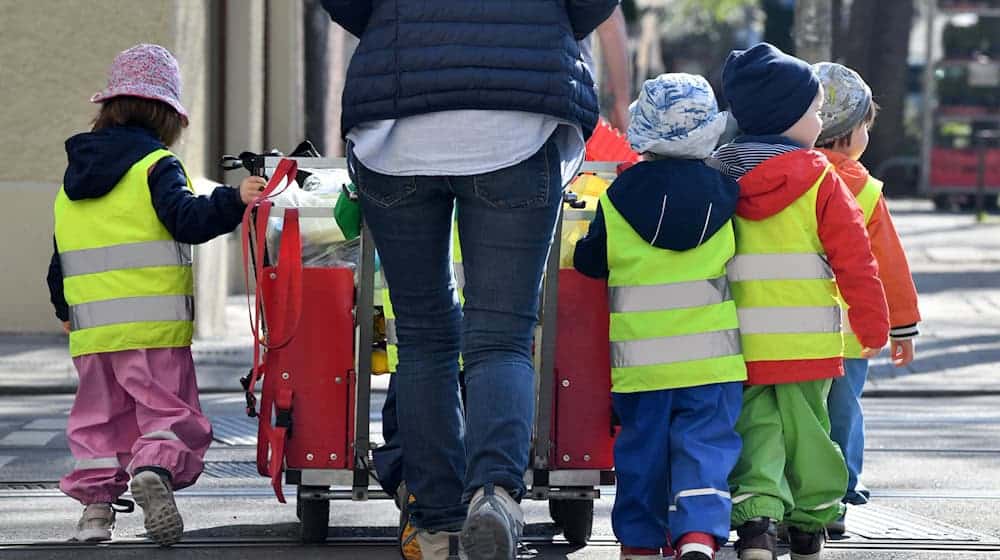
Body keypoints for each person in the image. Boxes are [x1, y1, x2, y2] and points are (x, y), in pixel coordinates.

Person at [321, 2, 619, 558]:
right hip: (518, 123)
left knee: (424, 336)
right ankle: (495, 495)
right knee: (502, 336)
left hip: (396, 124)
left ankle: (435, 520)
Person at [47, 44, 265, 546]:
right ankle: (153, 469)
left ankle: (96, 515)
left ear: (109, 108)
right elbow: (185, 219)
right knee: (167, 414)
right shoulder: (156, 165)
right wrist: (235, 199)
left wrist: (64, 309)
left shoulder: (73, 177)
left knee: (98, 423)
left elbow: (60, 254)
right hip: (153, 327)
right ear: (167, 115)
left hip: (91, 332)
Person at [710, 43, 890, 560]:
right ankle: (811, 520)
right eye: (814, 110)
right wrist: (873, 324)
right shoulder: (822, 180)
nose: (820, 119)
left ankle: (757, 523)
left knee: (757, 433)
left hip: (738, 342)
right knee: (811, 432)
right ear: (791, 118)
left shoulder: (721, 175)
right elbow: (856, 259)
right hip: (808, 343)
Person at [574, 73, 747, 560]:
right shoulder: (727, 195)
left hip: (642, 365)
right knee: (705, 448)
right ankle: (698, 534)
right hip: (712, 361)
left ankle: (640, 543)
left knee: (642, 455)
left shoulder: (617, 198)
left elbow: (593, 261)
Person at [812, 62, 921, 532]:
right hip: (853, 332)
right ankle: (840, 490)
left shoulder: (789, 178)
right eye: (865, 128)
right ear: (850, 135)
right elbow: (888, 266)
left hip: (788, 328)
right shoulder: (865, 189)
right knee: (843, 411)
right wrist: (902, 327)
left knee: (800, 413)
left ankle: (798, 492)